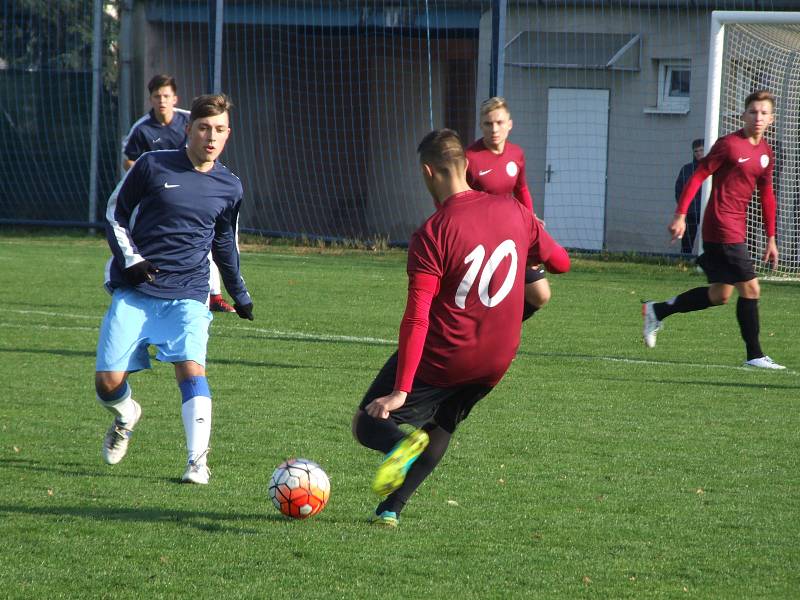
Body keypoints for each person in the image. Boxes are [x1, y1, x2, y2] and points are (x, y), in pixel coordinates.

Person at [352, 129, 570, 526]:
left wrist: (400, 392)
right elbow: (562, 264)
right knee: (442, 423)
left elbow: (417, 317)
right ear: (467, 166)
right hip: (495, 361)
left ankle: (403, 447)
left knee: (368, 423)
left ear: (427, 172)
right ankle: (391, 509)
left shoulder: (433, 233)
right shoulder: (515, 211)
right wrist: (527, 253)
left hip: (447, 354)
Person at [96, 93, 255, 485]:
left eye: (219, 129)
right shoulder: (152, 165)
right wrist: (132, 262)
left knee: (191, 368)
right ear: (189, 130)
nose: (211, 137)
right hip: (137, 290)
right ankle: (126, 414)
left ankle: (197, 463)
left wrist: (240, 293)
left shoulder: (230, 186)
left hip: (189, 291)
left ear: (228, 134)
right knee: (107, 384)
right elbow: (115, 213)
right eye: (204, 128)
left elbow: (224, 245)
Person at [642, 90, 784, 370]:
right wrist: (681, 214)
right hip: (721, 225)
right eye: (753, 112)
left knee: (720, 295)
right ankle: (755, 355)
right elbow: (699, 174)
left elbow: (767, 195)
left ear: (771, 119)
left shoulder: (766, 153)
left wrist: (771, 237)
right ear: (743, 115)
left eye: (764, 113)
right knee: (752, 289)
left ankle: (657, 310)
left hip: (735, 228)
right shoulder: (729, 145)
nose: (758, 117)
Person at [122, 74, 235, 313]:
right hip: (157, 197)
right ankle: (142, 280)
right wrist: (155, 174)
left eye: (166, 96)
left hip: (193, 191)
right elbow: (129, 161)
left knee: (210, 240)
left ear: (175, 98)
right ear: (150, 99)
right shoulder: (142, 129)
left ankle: (214, 295)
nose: (162, 101)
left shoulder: (190, 120)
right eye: (156, 96)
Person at [466, 96, 551, 321]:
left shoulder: (516, 155)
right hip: (481, 241)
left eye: (499, 123)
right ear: (481, 125)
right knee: (485, 297)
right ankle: (483, 341)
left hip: (513, 235)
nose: (494, 129)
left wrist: (531, 219)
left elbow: (521, 189)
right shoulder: (469, 159)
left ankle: (499, 331)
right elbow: (457, 199)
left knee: (540, 294)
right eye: (488, 123)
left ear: (510, 124)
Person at [674, 138, 705, 255]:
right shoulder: (686, 169)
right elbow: (678, 190)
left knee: (709, 240)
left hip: (707, 210)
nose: (699, 154)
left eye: (701, 150)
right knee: (687, 241)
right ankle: (684, 260)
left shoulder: (713, 167)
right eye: (696, 151)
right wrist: (683, 207)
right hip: (691, 211)